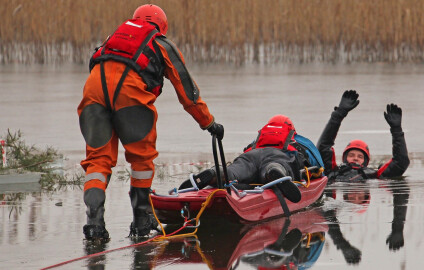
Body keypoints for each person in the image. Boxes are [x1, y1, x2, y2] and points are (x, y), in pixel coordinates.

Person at [77, 4, 224, 241]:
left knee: (97, 162)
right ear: (162, 26)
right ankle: (141, 221)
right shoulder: (161, 43)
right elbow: (187, 91)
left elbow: (95, 64)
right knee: (141, 160)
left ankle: (94, 225)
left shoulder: (114, 37)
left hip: (93, 94)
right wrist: (209, 123)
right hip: (130, 94)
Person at [178, 114, 326, 203]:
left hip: (251, 157)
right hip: (277, 157)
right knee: (275, 166)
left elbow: (245, 152)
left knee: (235, 171)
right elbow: (318, 163)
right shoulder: (297, 140)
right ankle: (273, 173)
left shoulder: (258, 139)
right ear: (291, 129)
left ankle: (217, 174)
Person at [316, 90, 410, 183]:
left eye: (360, 156)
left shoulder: (375, 176)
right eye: (351, 155)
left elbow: (401, 162)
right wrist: (339, 114)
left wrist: (396, 130)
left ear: (366, 161)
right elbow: (323, 147)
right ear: (344, 158)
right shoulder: (333, 172)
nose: (355, 158)